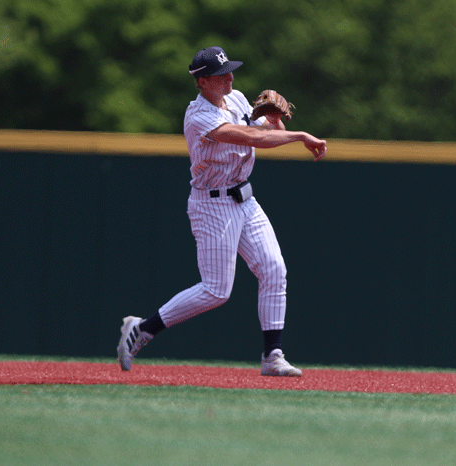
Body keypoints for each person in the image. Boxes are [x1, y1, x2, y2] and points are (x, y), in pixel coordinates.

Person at [116, 46, 327, 376]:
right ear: (202, 82)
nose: (229, 77)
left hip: (245, 199)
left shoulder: (239, 99)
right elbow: (247, 137)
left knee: (274, 269)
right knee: (216, 291)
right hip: (212, 205)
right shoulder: (198, 115)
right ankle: (143, 329)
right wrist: (299, 135)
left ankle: (272, 355)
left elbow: (267, 134)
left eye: (230, 70)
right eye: (220, 74)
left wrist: (273, 122)